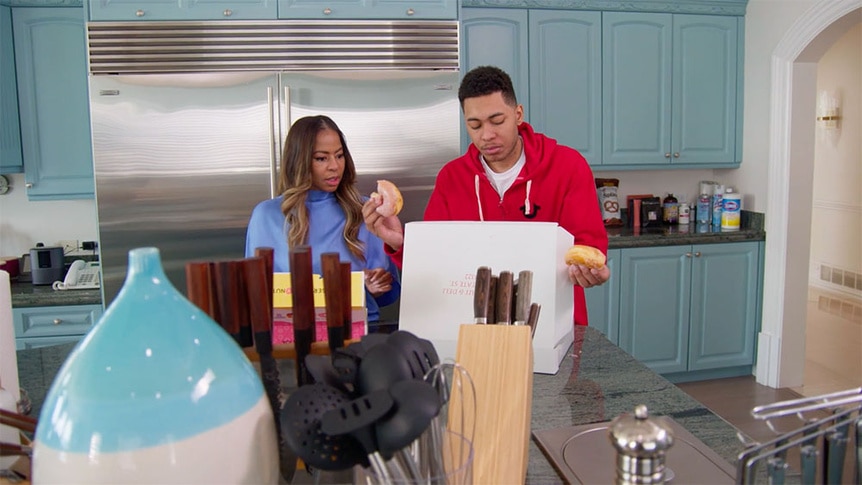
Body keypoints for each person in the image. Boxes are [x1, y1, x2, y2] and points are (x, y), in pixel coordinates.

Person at [362, 65, 609, 326]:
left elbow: (588, 247)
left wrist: (590, 272)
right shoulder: (452, 178)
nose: (487, 135)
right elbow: (435, 261)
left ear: (518, 114)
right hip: (475, 326)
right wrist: (401, 243)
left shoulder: (567, 166)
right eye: (475, 125)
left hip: (552, 324)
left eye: (497, 121)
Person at [245, 115, 400, 325]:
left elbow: (389, 296)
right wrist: (348, 286)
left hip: (358, 336)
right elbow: (256, 296)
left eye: (339, 155)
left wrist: (377, 284)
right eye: (321, 158)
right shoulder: (267, 216)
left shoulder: (367, 210)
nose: (334, 166)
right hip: (291, 338)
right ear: (299, 161)